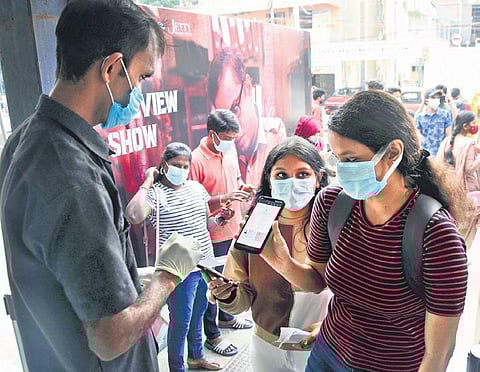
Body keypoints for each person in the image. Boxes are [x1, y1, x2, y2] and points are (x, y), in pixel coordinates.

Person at [0, 1, 202, 371]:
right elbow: (110, 339)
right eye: (141, 77)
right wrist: (166, 277)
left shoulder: (26, 139)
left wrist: (127, 277)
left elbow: (65, 269)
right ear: (111, 68)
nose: (139, 92)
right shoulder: (73, 177)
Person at [259, 91, 468, 371]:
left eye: (352, 159)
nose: (342, 171)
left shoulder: (436, 234)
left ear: (392, 153)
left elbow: (439, 353)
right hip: (326, 354)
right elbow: (317, 281)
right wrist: (282, 262)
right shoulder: (333, 204)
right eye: (337, 158)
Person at [209, 136, 333, 372]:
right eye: (282, 175)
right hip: (267, 349)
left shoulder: (335, 225)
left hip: (325, 346)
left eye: (303, 174)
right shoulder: (254, 227)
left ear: (318, 179)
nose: (292, 182)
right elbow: (241, 297)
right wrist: (226, 296)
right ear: (269, 179)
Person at [125, 142, 231, 371]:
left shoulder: (197, 188)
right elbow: (133, 215)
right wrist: (147, 181)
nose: (181, 170)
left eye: (185, 166)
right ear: (164, 165)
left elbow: (205, 224)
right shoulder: (155, 194)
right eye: (176, 165)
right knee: (181, 322)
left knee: (199, 313)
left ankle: (196, 358)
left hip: (205, 265)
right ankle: (177, 368)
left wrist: (220, 220)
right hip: (179, 270)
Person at [189, 109, 254, 357]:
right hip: (211, 234)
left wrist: (242, 188)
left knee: (232, 278)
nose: (231, 143)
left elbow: (236, 179)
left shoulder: (230, 151)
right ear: (212, 134)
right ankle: (212, 335)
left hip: (233, 227)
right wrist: (224, 198)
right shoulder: (195, 160)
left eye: (234, 138)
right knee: (212, 286)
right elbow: (194, 203)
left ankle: (228, 316)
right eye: (227, 138)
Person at [207, 47, 286, 188]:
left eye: (235, 110)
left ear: (248, 87)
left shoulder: (275, 133)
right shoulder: (221, 153)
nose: (232, 131)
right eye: (223, 120)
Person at [437, 110, 480, 246]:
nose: (475, 126)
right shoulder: (469, 144)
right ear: (465, 126)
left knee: (455, 226)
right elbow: (469, 169)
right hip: (468, 191)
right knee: (467, 230)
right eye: (473, 123)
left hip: (450, 190)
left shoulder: (446, 141)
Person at [416, 87, 453, 156]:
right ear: (426, 101)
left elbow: (448, 134)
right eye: (433, 97)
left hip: (440, 153)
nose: (436, 100)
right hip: (425, 153)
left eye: (437, 97)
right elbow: (418, 133)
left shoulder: (445, 114)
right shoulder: (420, 116)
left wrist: (446, 150)